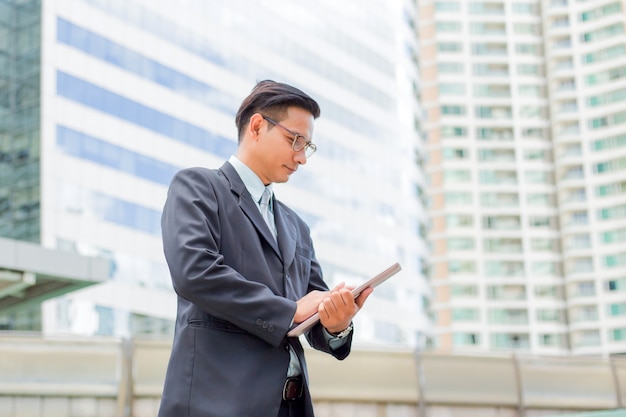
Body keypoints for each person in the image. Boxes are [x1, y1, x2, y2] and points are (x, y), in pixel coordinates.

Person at [157, 80, 373, 417]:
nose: (301, 158)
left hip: (291, 407)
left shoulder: (296, 226)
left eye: (307, 146)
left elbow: (310, 310)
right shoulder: (199, 187)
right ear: (257, 126)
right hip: (218, 404)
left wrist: (335, 322)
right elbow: (194, 273)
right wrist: (290, 311)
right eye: (294, 140)